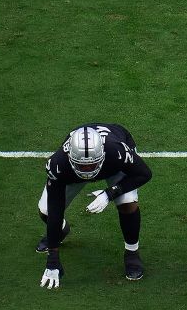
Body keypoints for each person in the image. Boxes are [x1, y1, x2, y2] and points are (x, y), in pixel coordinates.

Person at [38, 123, 151, 289]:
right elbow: (55, 206)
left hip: (112, 167)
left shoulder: (116, 152)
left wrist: (110, 193)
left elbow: (144, 174)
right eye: (82, 166)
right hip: (73, 173)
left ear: (101, 155)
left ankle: (132, 252)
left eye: (91, 165)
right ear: (70, 157)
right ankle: (61, 230)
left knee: (128, 203)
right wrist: (53, 257)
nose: (87, 170)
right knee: (46, 212)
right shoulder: (58, 163)